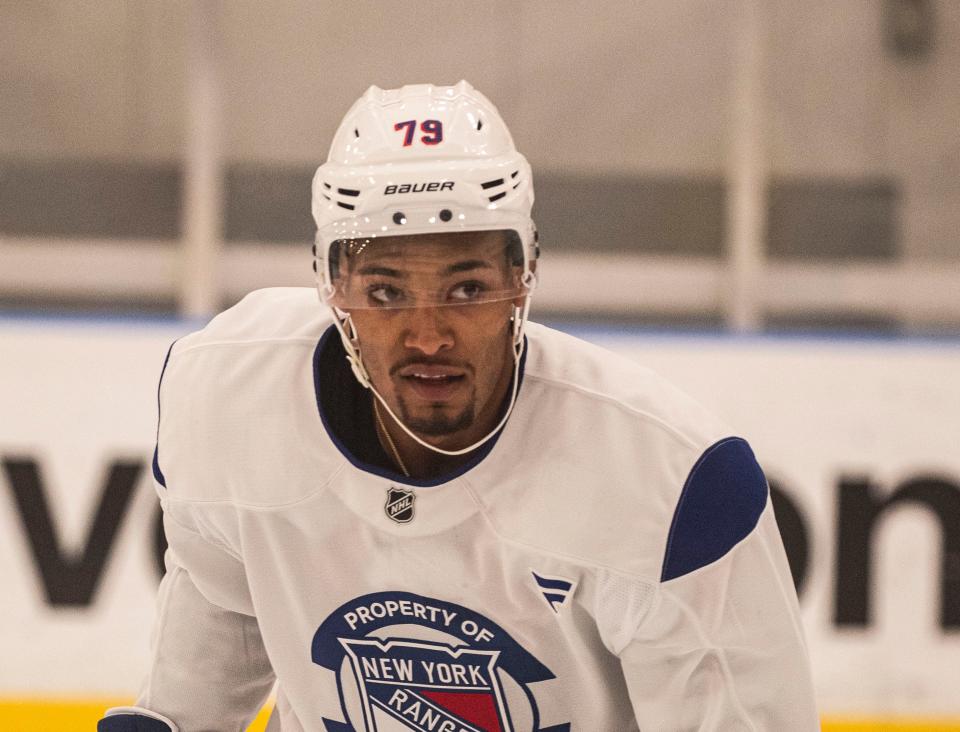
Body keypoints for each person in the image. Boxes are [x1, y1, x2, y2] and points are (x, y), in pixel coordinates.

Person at [99, 81, 818, 731]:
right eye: (385, 292)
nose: (429, 335)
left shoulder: (671, 485)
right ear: (332, 286)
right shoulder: (230, 392)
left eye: (467, 288)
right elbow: (226, 602)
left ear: (523, 274)